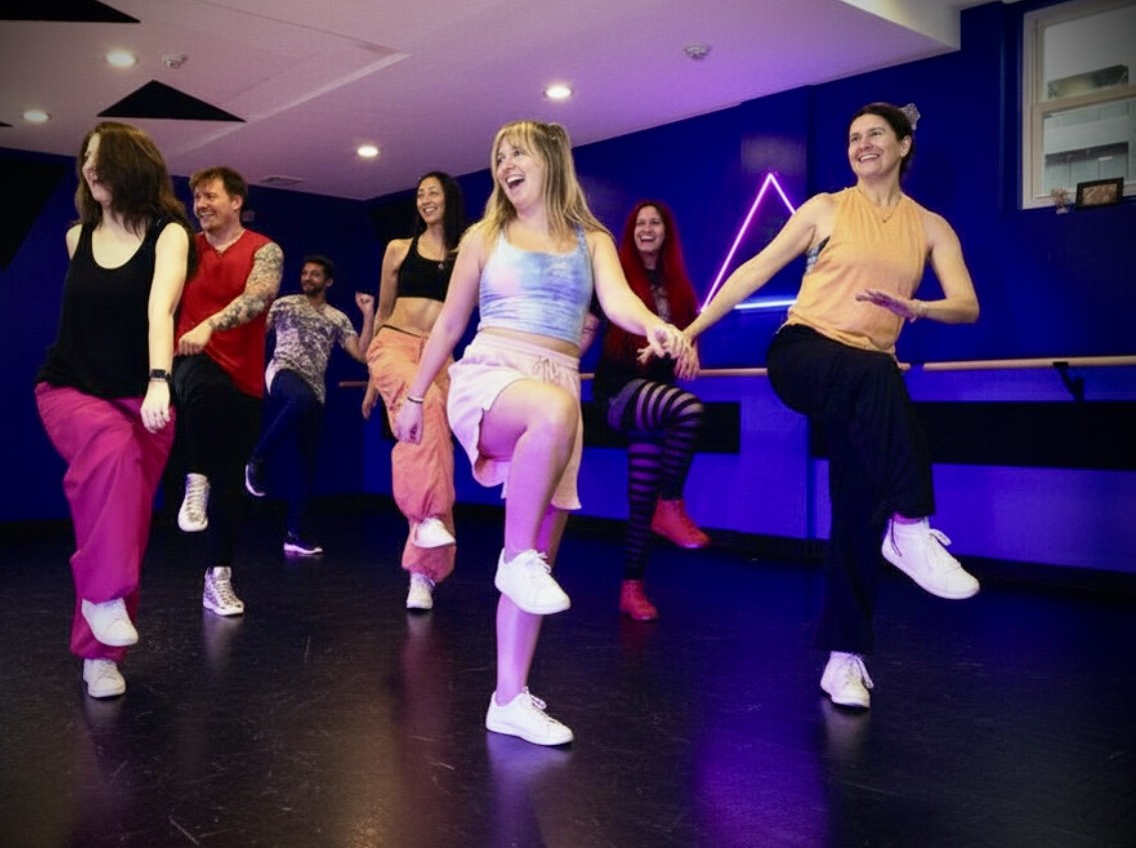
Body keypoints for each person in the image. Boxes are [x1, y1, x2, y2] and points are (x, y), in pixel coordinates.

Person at [394, 120, 686, 745]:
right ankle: (517, 558)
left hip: (557, 382)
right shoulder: (483, 235)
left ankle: (509, 698)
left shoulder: (591, 239)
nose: (505, 164)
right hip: (495, 374)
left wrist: (654, 326)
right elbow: (448, 325)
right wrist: (416, 395)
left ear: (552, 159)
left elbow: (618, 302)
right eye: (498, 156)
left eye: (517, 152)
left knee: (539, 557)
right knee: (547, 438)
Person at [684, 102, 981, 709]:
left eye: (875, 135)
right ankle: (912, 525)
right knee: (877, 374)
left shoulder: (930, 227)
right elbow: (753, 269)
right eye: (853, 137)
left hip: (866, 381)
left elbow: (967, 305)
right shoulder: (825, 208)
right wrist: (693, 328)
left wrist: (918, 310)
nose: (863, 144)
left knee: (856, 506)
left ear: (903, 146)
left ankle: (844, 661)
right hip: (803, 354)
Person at [34, 121, 192, 698]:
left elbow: (161, 310)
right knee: (111, 450)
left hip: (143, 397)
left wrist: (159, 382)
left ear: (132, 164)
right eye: (85, 159)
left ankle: (100, 657)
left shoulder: (169, 232)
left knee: (122, 524)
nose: (90, 168)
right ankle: (102, 597)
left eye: (101, 158)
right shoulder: (77, 238)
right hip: (70, 390)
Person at [591, 200, 709, 622]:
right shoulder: (616, 277)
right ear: (631, 232)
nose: (646, 228)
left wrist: (691, 351)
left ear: (665, 231)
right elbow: (587, 327)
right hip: (620, 389)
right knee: (690, 412)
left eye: (654, 222)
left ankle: (631, 589)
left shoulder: (677, 283)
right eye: (640, 222)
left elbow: (688, 334)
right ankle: (672, 503)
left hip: (657, 396)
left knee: (641, 501)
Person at [173, 166, 283, 617]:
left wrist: (212, 324)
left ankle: (217, 575)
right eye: (196, 197)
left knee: (231, 485)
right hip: (190, 360)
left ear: (236, 201)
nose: (201, 204)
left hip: (245, 378)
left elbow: (260, 297)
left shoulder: (264, 250)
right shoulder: (185, 248)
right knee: (203, 390)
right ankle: (194, 479)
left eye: (210, 196)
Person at [362, 172, 468, 611]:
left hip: (438, 355)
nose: (425, 200)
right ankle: (425, 514)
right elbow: (385, 311)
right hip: (394, 344)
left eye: (433, 193)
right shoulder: (397, 250)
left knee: (433, 447)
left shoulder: (466, 254)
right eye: (420, 193)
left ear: (449, 199)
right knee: (425, 406)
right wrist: (372, 383)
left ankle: (422, 574)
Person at [244, 255, 374, 555]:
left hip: (316, 389)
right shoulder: (284, 304)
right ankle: (257, 459)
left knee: (307, 463)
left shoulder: (337, 318)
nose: (307, 278)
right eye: (304, 273)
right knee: (298, 399)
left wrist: (368, 314)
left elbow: (362, 354)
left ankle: (294, 533)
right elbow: (255, 332)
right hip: (282, 372)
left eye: (315, 274)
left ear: (328, 282)